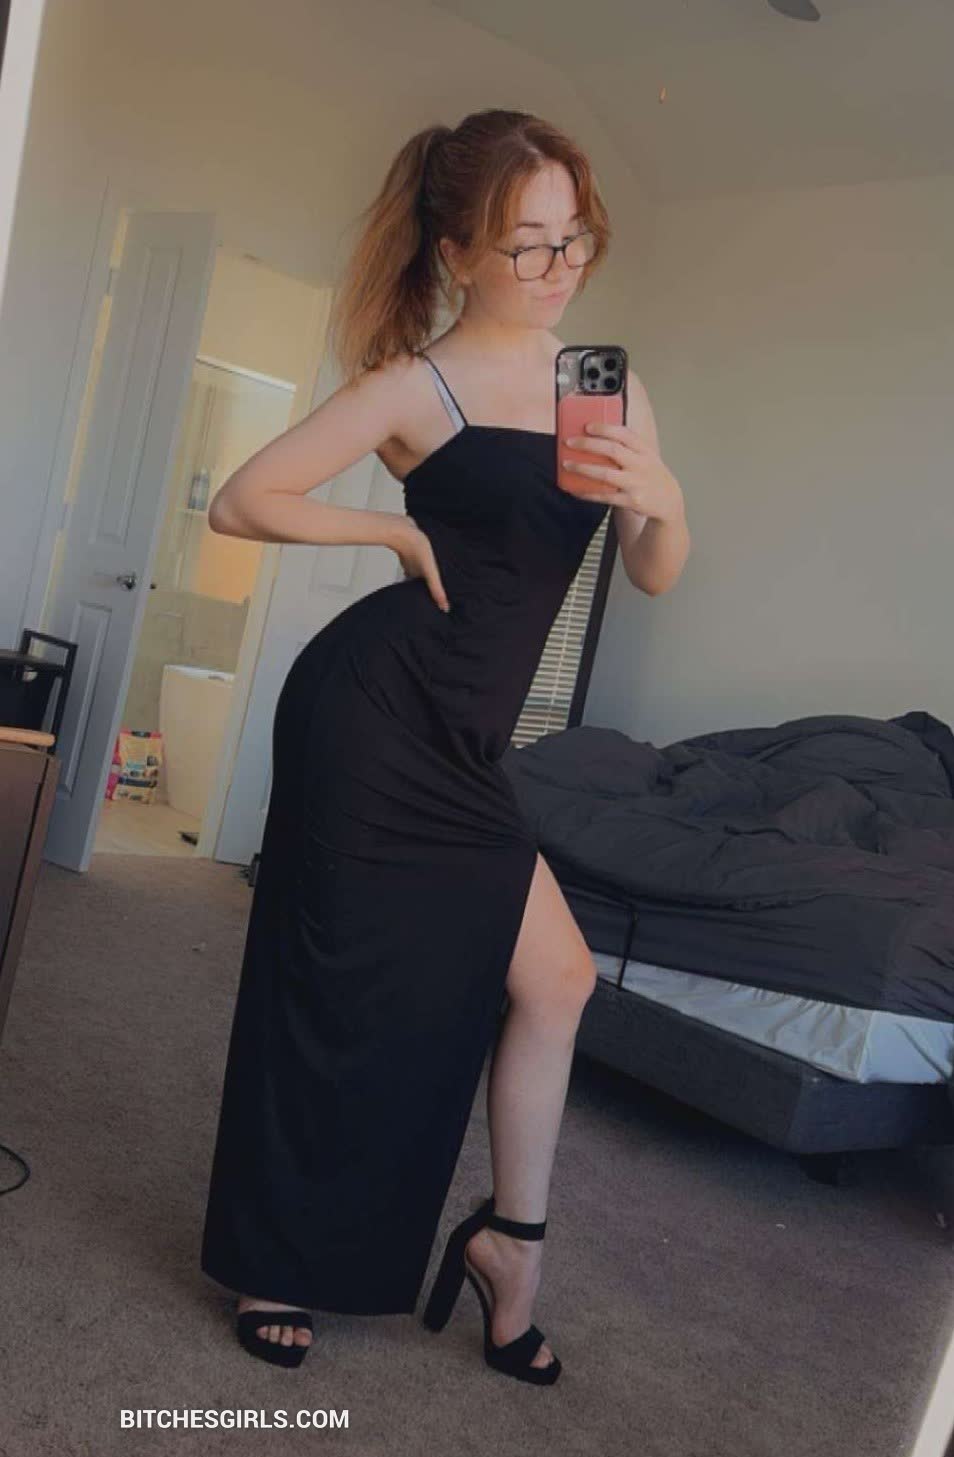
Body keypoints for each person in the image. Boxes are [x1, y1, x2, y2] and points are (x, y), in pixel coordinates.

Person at [200, 107, 690, 1384]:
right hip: (372, 715)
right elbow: (243, 498)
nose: (560, 264)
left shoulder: (600, 382)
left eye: (573, 235)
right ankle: (278, 1257)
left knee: (558, 979)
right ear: (460, 251)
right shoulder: (417, 384)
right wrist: (390, 531)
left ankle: (508, 1248)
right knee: (335, 988)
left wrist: (665, 503)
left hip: (468, 739)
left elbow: (652, 571)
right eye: (527, 242)